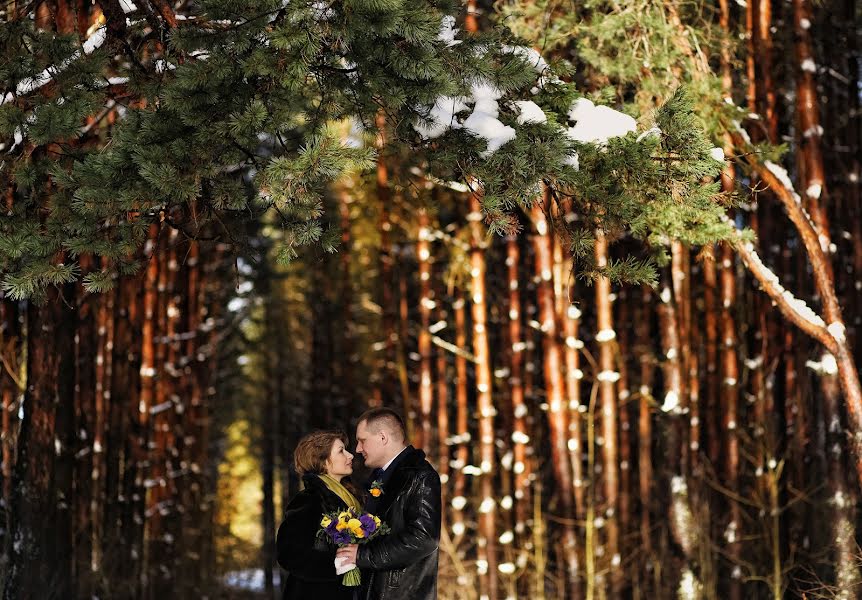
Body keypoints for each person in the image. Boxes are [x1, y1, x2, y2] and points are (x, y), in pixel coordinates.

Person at [336, 408, 441, 600]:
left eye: (362, 440)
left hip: (401, 593)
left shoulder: (420, 476)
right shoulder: (380, 477)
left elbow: (424, 538)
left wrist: (363, 556)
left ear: (383, 437)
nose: (358, 449)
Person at [276, 430, 360, 600]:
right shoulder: (309, 500)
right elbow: (289, 554)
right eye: (341, 450)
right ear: (323, 462)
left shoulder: (352, 498)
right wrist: (335, 565)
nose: (350, 455)